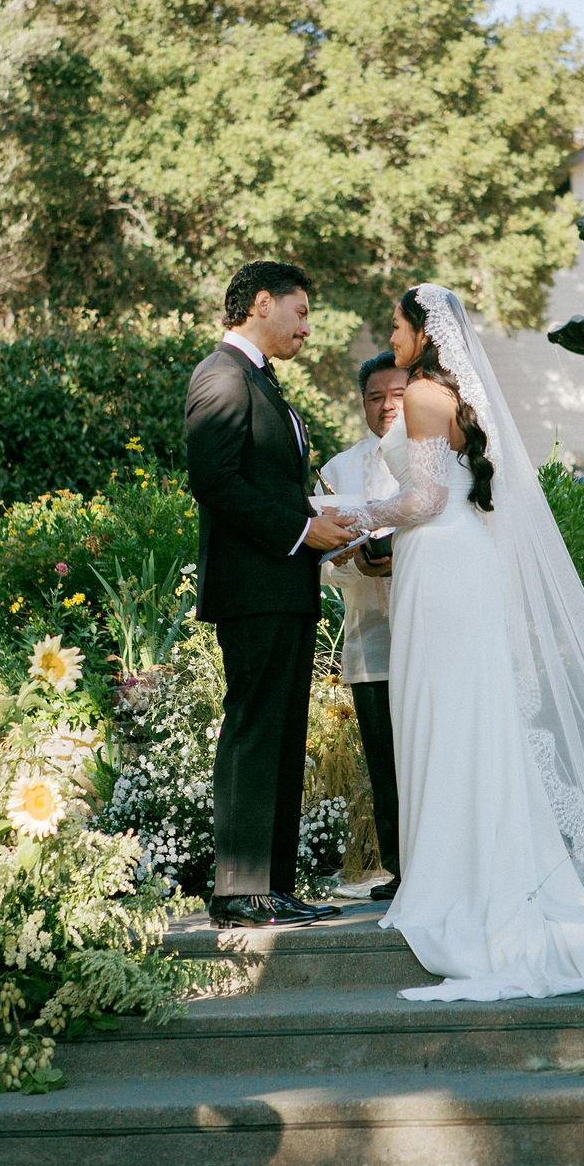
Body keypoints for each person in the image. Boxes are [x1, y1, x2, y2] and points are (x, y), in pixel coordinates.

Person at [343, 284, 584, 1000]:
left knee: (446, 720)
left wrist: (350, 514)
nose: (393, 335)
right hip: (451, 562)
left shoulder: (418, 395)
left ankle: (451, 884)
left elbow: (425, 500)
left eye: (397, 325)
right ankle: (466, 868)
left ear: (424, 333)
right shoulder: (451, 396)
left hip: (438, 562)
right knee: (471, 718)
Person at [185, 260, 355, 929]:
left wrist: (324, 523)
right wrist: (300, 530)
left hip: (283, 586)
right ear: (262, 304)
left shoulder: (259, 381)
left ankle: (272, 886)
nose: (307, 328)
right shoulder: (222, 377)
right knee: (256, 731)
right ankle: (239, 889)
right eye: (302, 312)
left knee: (281, 736)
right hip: (254, 590)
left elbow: (266, 481)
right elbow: (216, 483)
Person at [318, 352, 408, 901]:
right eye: (375, 397)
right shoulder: (339, 469)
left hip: (430, 632)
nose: (386, 406)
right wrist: (349, 561)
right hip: (370, 636)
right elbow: (324, 560)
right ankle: (400, 871)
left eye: (396, 394)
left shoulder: (435, 458)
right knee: (384, 760)